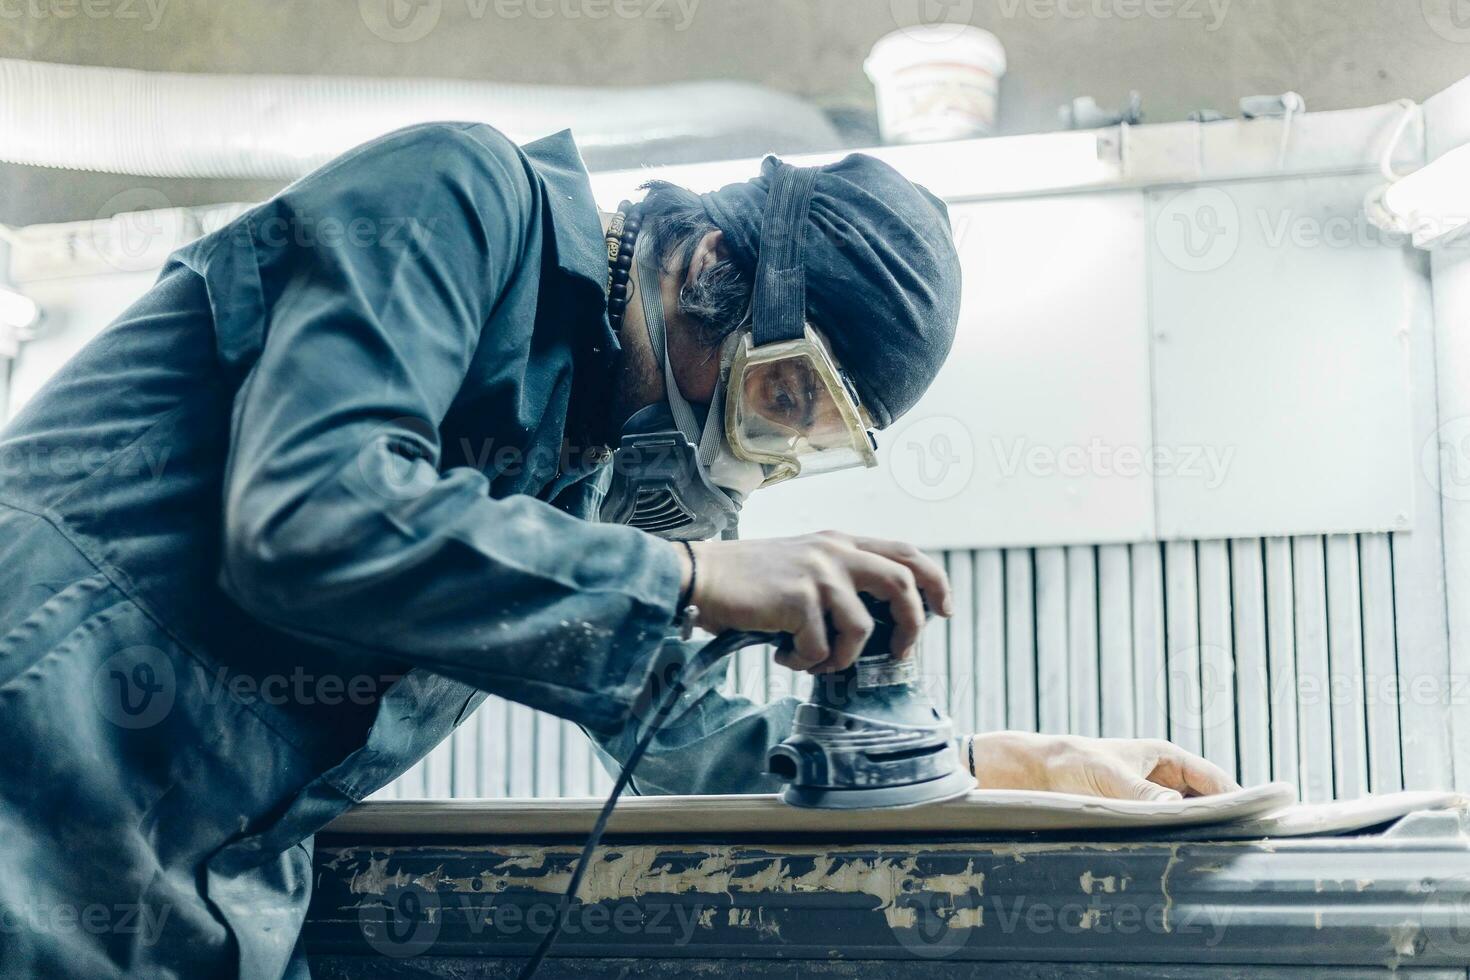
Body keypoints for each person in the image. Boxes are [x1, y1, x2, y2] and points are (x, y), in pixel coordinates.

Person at [0, 122, 1236, 979]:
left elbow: (690, 741)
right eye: (780, 397)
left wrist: (1011, 766)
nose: (752, 462)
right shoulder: (457, 198)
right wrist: (693, 578)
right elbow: (309, 515)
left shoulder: (599, 479)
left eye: (800, 441)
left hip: (192, 905)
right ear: (707, 265)